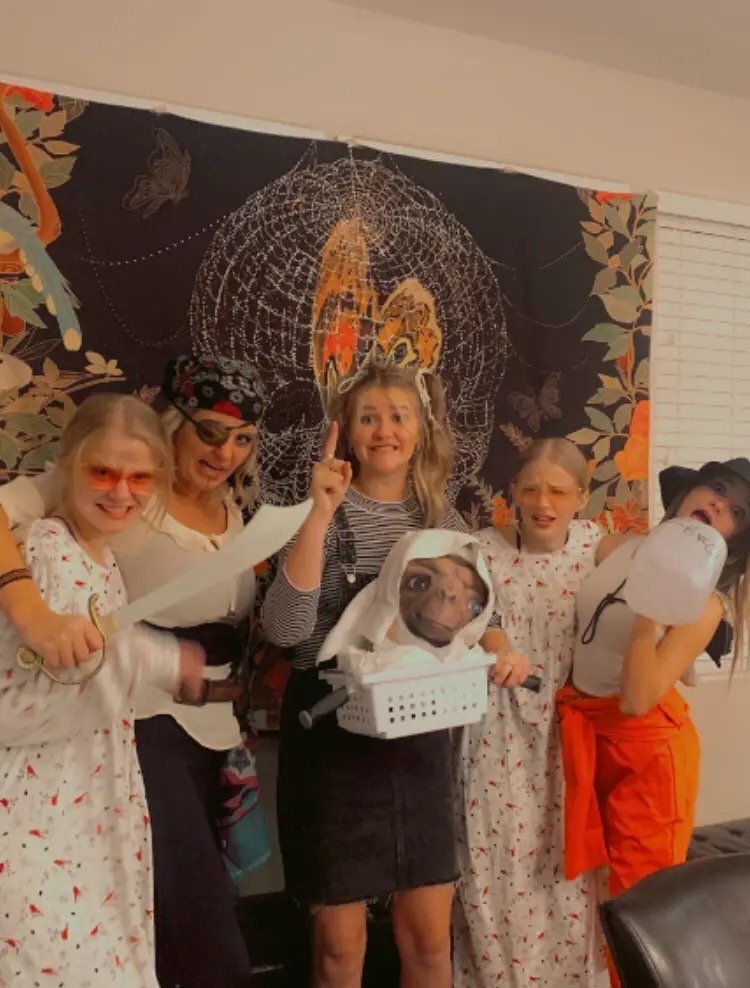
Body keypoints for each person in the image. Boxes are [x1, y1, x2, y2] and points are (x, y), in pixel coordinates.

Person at [261, 357, 528, 988]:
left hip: (421, 735)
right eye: (368, 418)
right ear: (346, 432)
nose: (385, 431)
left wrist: (503, 647)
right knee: (338, 947)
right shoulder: (315, 514)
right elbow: (285, 630)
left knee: (430, 940)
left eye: (399, 416)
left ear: (421, 431)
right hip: (332, 736)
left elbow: (480, 613)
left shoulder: (442, 521)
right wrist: (318, 513)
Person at [0, 354, 265, 987]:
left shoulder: (114, 555)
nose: (121, 491)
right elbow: (49, 685)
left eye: (139, 478)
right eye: (103, 472)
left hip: (112, 787)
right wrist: (157, 659)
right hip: (61, 797)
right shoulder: (52, 547)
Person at [556, 457, 750, 983]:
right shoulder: (616, 547)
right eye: (716, 489)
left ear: (732, 541)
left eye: (736, 512)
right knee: (587, 896)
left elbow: (638, 698)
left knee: (639, 909)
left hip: (649, 759)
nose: (719, 505)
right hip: (588, 735)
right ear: (688, 492)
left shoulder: (705, 607)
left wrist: (654, 603)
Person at [453, 438, 604, 988]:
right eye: (532, 488)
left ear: (581, 498)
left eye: (559, 492)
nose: (543, 502)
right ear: (513, 490)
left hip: (571, 733)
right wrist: (498, 647)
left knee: (566, 869)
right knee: (499, 864)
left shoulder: (597, 548)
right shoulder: (480, 550)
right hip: (498, 732)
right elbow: (476, 615)